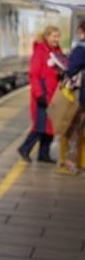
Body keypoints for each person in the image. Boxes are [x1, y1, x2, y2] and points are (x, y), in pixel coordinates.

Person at [16, 25, 65, 163]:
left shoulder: (57, 51)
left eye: (58, 36)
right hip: (43, 94)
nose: (56, 39)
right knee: (40, 125)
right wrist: (39, 94)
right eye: (54, 36)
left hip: (54, 93)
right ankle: (24, 148)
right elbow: (34, 75)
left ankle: (44, 154)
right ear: (47, 37)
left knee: (50, 126)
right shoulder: (39, 52)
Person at [57, 21, 85, 174]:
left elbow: (71, 68)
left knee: (73, 129)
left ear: (81, 31)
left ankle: (70, 163)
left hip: (81, 97)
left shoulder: (81, 49)